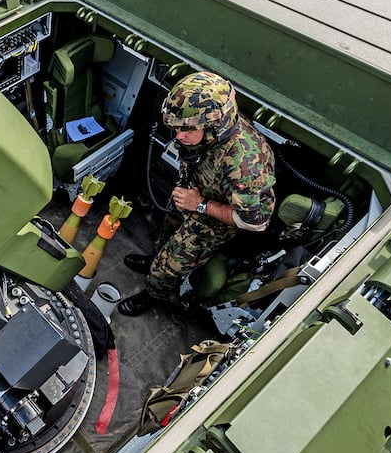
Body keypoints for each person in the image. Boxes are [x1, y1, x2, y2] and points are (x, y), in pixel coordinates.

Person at [117, 71, 275, 316]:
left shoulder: (246, 166)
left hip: (212, 219)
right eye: (177, 129)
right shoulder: (207, 125)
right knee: (166, 235)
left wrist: (200, 205)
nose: (179, 136)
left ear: (214, 125)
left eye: (186, 131)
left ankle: (153, 292)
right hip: (192, 193)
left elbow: (255, 222)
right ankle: (155, 261)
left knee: (170, 265)